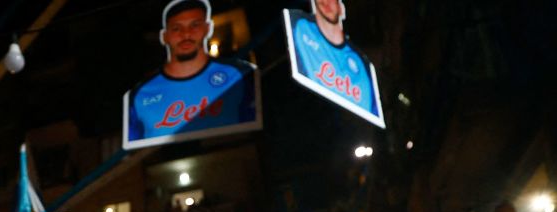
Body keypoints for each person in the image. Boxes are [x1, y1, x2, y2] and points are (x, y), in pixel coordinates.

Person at [126, 0, 259, 145]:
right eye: (176, 28)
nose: (186, 34)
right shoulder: (140, 93)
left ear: (207, 28)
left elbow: (255, 130)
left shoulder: (240, 74)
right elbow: (134, 153)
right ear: (165, 36)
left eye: (194, 25)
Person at [287, 0, 381, 122]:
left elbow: (372, 114)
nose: (326, 4)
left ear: (341, 8)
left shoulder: (363, 64)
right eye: (320, 1)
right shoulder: (299, 25)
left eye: (331, 0)